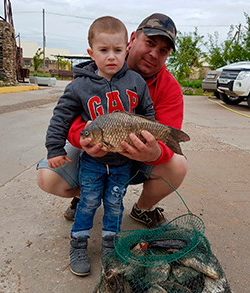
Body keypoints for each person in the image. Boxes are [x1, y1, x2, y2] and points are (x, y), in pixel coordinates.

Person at [37, 12, 186, 229]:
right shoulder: (96, 72)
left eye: (163, 51)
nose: (154, 54)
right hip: (95, 152)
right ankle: (90, 193)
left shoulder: (170, 87)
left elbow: (164, 133)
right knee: (47, 178)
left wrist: (154, 152)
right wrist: (84, 139)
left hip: (137, 156)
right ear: (132, 40)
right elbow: (67, 118)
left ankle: (143, 209)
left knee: (178, 165)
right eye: (150, 43)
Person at [43, 16, 155, 276]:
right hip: (92, 162)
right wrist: (55, 149)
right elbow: (60, 118)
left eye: (117, 50)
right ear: (91, 53)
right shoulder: (79, 85)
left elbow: (147, 113)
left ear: (126, 49)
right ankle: (79, 243)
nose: (112, 57)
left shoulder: (136, 82)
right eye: (104, 51)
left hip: (122, 162)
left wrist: (148, 139)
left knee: (115, 204)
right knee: (89, 201)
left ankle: (110, 243)